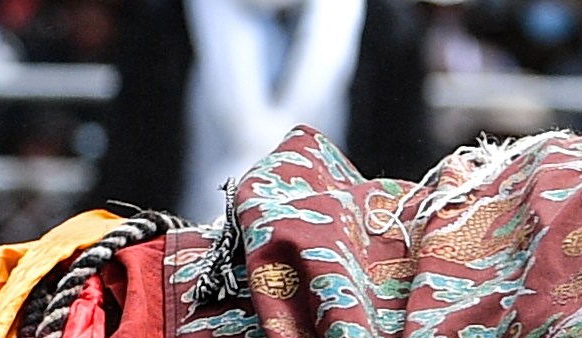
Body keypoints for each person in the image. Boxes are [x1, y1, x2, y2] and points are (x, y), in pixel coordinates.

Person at [91, 0, 437, 215]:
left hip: (342, 268)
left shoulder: (385, 23)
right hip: (188, 256)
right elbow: (128, 163)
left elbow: (404, 163)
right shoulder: (164, 20)